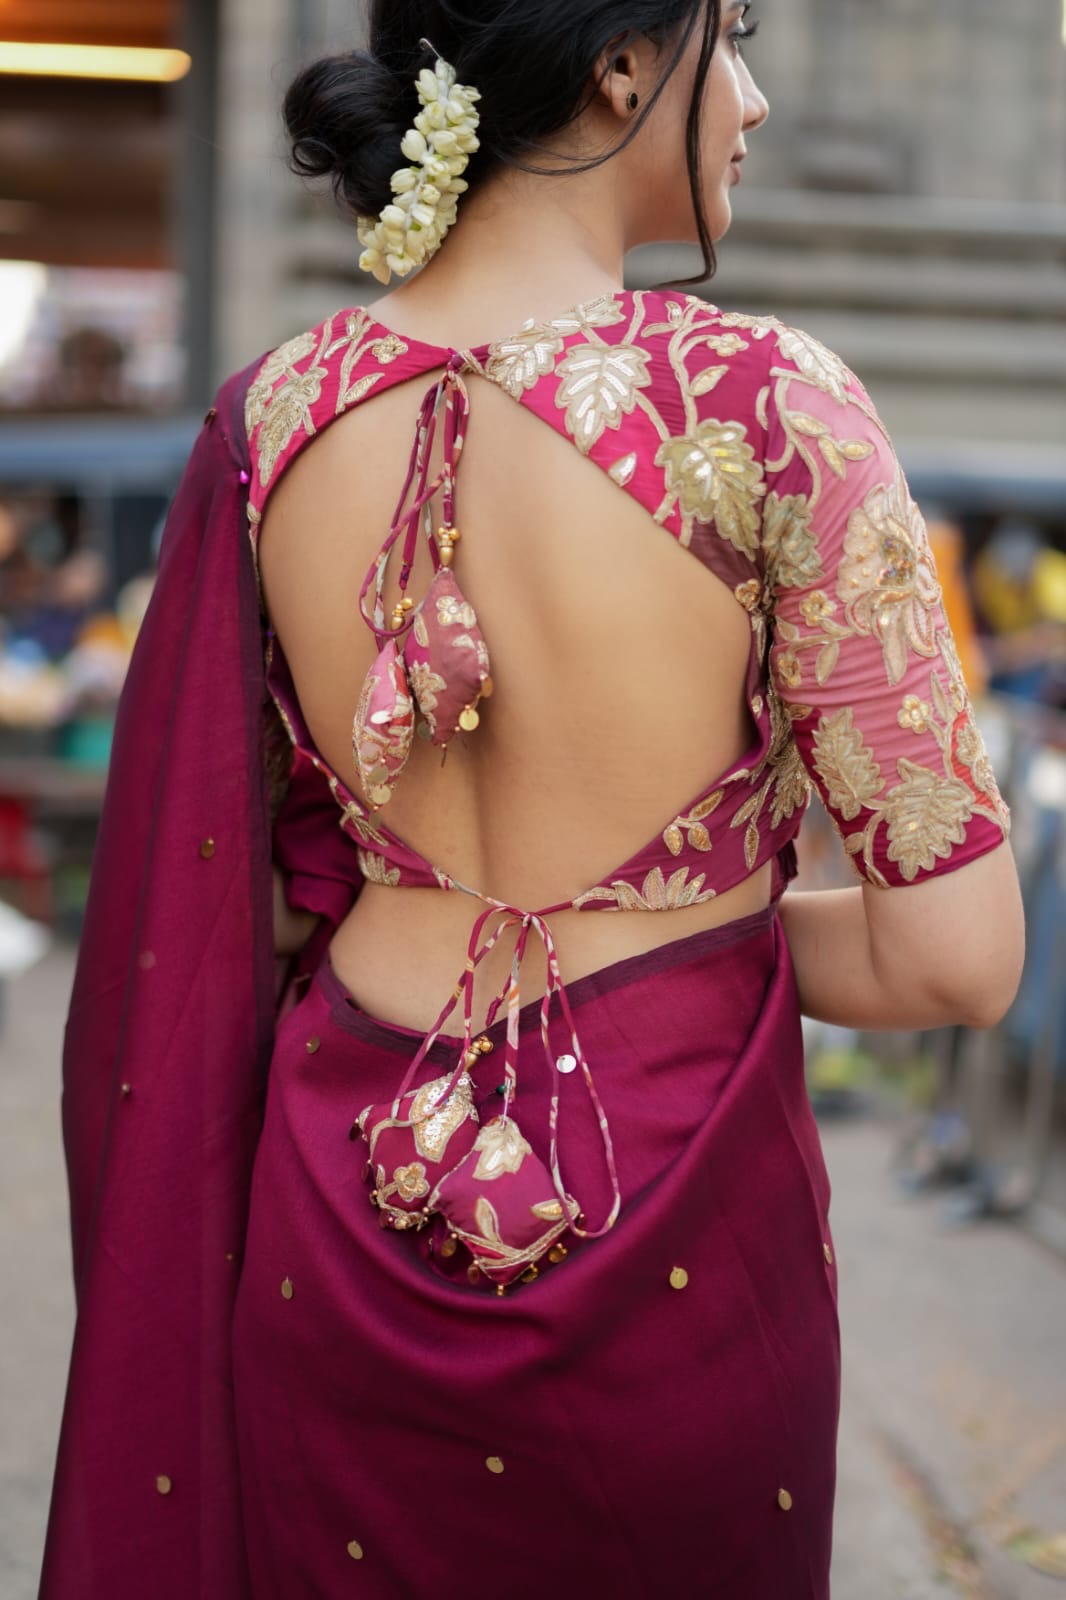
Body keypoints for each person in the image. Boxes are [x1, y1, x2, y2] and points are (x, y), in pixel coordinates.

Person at [41, 4, 1025, 1597]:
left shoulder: (270, 417)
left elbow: (239, 889)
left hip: (333, 1200)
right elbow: (952, 959)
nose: (757, 103)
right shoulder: (766, 402)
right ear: (623, 66)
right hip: (669, 1207)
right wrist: (681, 940)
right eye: (734, 42)